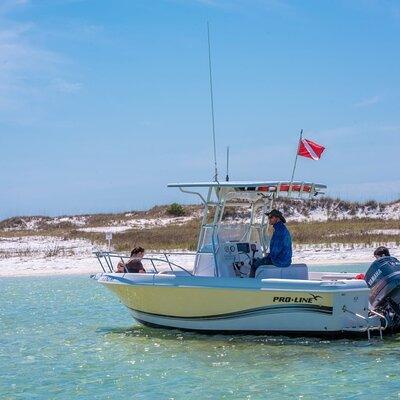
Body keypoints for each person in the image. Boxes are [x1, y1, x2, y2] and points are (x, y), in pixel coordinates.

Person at [249, 209, 292, 277]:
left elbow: (276, 249)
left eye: (271, 217)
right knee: (260, 260)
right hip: (285, 260)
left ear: (277, 218)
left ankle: (251, 285)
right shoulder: (281, 228)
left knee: (255, 264)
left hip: (279, 261)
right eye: (269, 217)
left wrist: (267, 257)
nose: (269, 219)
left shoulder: (279, 231)